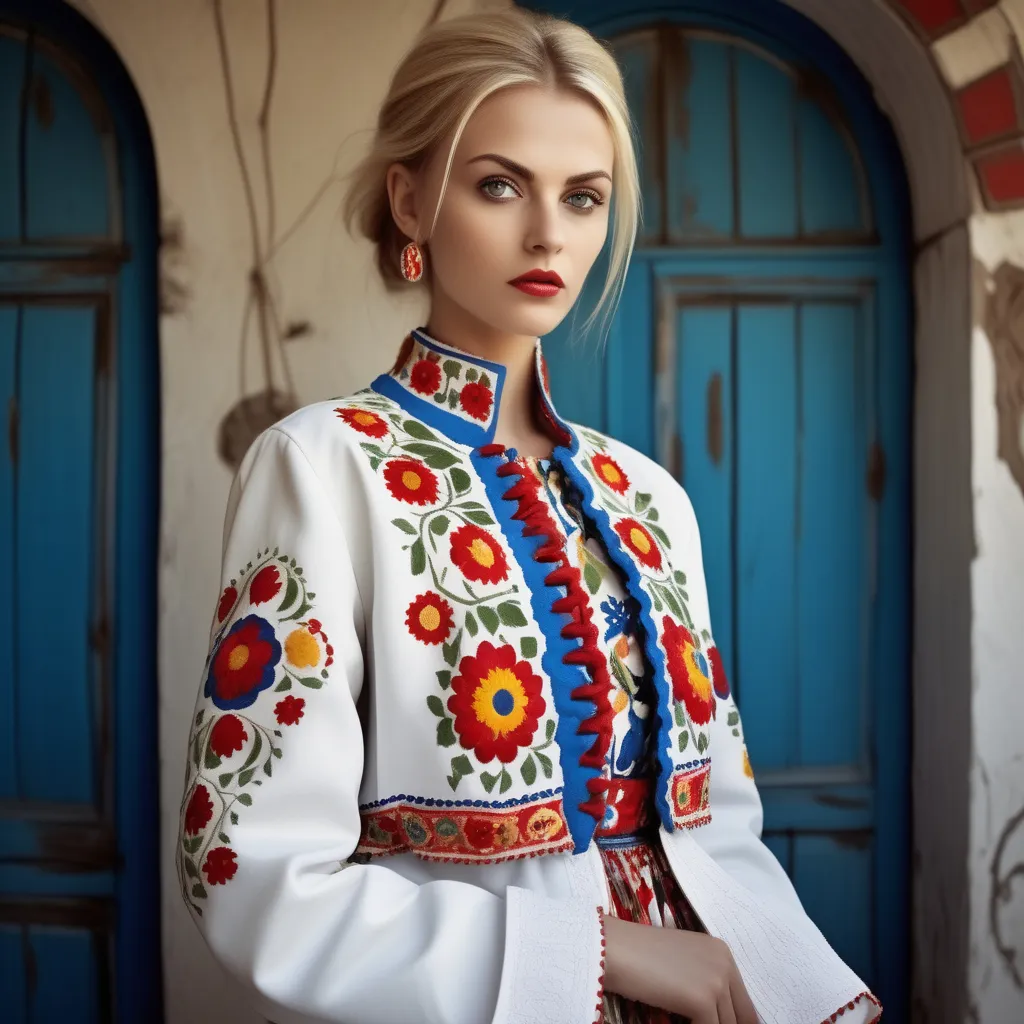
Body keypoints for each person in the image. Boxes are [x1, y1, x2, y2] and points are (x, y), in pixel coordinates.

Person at [176, 9, 881, 1024]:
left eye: (583, 197)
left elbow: (718, 823)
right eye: (500, 185)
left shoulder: (647, 499)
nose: (550, 233)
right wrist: (594, 951)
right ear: (410, 199)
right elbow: (243, 867)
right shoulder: (324, 469)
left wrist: (790, 985)